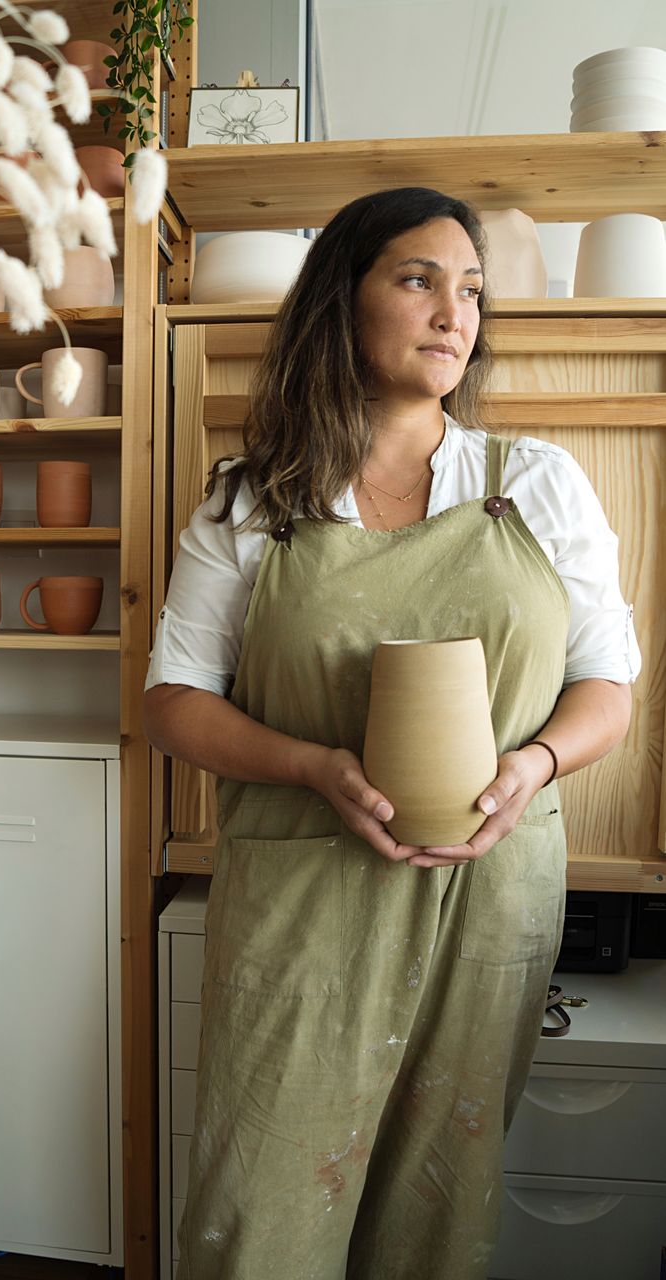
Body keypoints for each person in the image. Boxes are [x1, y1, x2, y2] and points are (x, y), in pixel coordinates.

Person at [143, 186, 640, 1280]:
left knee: (435, 1205)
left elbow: (607, 680)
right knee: (260, 1208)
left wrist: (533, 762)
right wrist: (312, 765)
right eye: (416, 280)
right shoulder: (253, 499)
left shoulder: (534, 484)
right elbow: (172, 698)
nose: (451, 312)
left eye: (468, 290)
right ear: (341, 303)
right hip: (302, 906)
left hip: (486, 888)